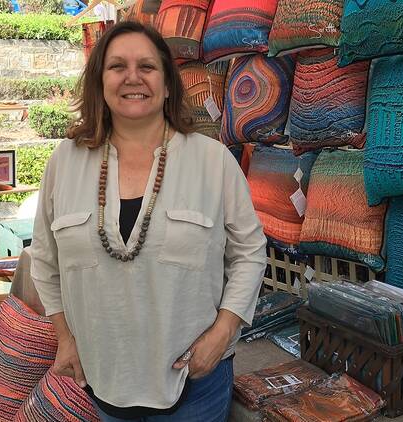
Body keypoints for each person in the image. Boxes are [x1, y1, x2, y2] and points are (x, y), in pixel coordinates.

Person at [30, 21, 267, 422]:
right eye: (117, 66)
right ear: (99, 82)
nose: (132, 78)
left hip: (194, 380)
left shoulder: (213, 161)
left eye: (147, 67)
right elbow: (44, 259)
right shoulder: (64, 162)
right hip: (102, 378)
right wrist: (65, 338)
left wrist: (223, 332)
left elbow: (249, 252)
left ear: (168, 83)